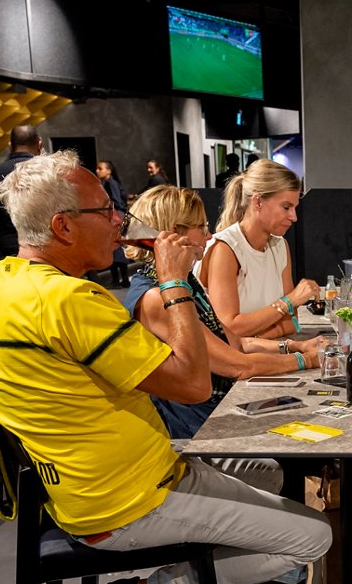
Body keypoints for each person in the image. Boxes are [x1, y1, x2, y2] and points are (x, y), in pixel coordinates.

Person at [0, 151, 332, 584]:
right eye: (105, 211)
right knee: (312, 539)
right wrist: (173, 281)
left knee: (274, 485)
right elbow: (196, 385)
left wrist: (37, 381)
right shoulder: (76, 301)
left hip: (142, 474)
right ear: (62, 226)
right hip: (124, 501)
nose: (118, 222)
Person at [125, 185, 327, 442]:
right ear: (174, 235)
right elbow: (237, 366)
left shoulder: (183, 280)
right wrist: (307, 361)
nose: (208, 237)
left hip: (216, 406)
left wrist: (295, 346)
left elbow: (234, 341)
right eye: (201, 228)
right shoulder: (157, 297)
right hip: (197, 427)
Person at [197, 159, 320, 339]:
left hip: (267, 353)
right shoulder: (225, 249)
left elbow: (291, 323)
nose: (293, 217)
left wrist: (258, 335)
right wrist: (289, 301)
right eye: (286, 207)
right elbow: (227, 329)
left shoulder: (280, 246)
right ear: (258, 202)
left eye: (294, 208)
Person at [0, 125, 43, 262]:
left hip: (9, 251)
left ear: (10, 146)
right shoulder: (50, 172)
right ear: (39, 144)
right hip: (47, 251)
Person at [95, 161, 130, 287]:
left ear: (108, 170)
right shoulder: (110, 183)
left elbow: (116, 201)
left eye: (100, 168)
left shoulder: (110, 183)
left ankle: (119, 280)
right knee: (117, 249)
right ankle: (122, 280)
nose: (97, 171)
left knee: (115, 249)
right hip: (118, 217)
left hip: (115, 218)